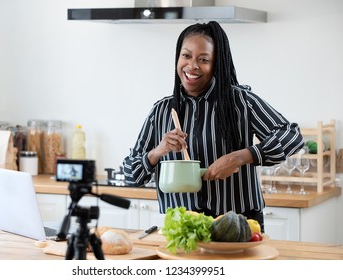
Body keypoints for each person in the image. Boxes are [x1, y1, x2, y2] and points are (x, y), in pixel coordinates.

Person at [122, 21, 304, 232]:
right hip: (183, 226)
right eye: (186, 56)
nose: (192, 66)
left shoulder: (241, 101)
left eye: (204, 59)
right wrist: (158, 151)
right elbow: (130, 174)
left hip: (237, 224)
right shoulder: (161, 110)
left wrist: (241, 156)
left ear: (216, 63)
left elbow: (291, 136)